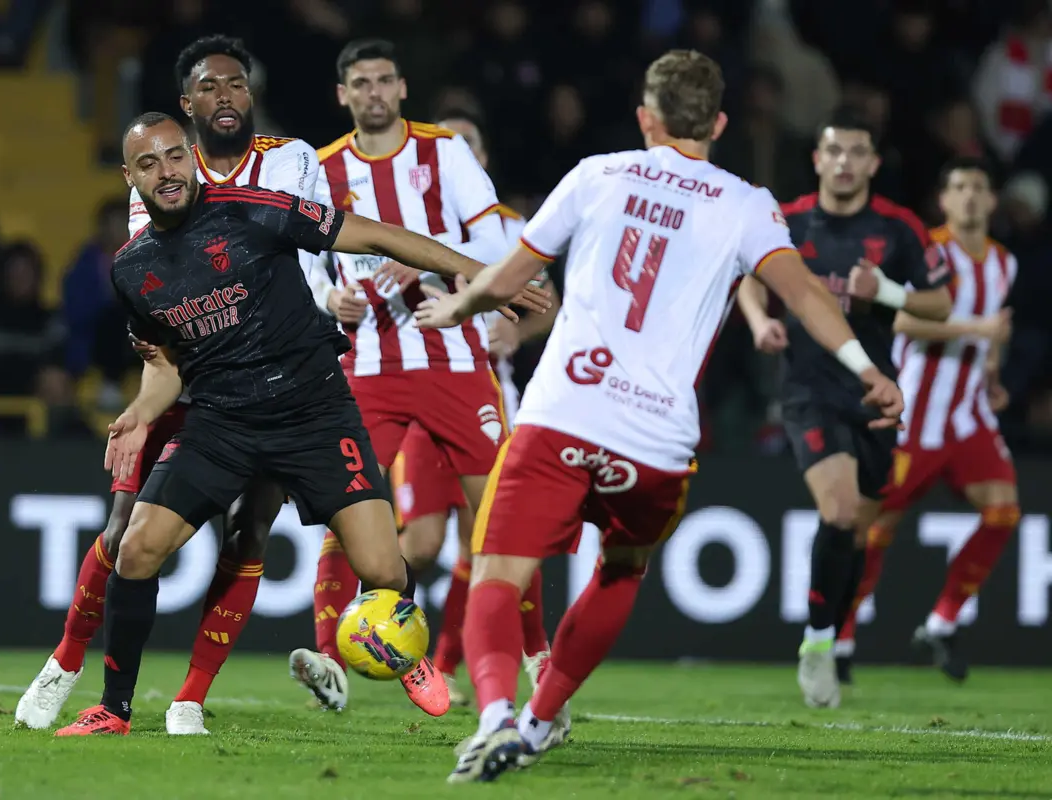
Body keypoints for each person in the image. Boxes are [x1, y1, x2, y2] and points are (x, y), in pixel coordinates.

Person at [414, 49, 904, 783]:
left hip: (564, 413)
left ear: (646, 117)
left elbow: (514, 276)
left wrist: (458, 303)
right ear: (720, 122)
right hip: (655, 441)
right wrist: (867, 369)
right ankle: (542, 720)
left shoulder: (595, 175)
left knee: (496, 575)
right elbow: (803, 294)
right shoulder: (746, 203)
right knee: (620, 571)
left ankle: (493, 720)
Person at [53, 110, 549, 736]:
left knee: (386, 570)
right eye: (149, 164)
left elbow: (374, 237)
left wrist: (478, 275)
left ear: (191, 156)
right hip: (221, 421)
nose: (167, 172)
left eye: (175, 156)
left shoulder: (253, 208)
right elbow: (169, 366)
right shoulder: (131, 269)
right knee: (137, 549)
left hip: (313, 411)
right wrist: (139, 412)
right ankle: (113, 709)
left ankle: (406, 651)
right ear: (131, 177)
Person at [15, 34, 320, 736]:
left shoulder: (293, 163)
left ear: (249, 95)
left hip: (267, 382)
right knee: (125, 531)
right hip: (182, 379)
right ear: (185, 110)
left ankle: (189, 699)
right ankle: (64, 664)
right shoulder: (157, 184)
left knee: (248, 534)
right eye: (208, 88)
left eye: (235, 85)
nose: (224, 98)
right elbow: (159, 301)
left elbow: (312, 254)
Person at [292, 39, 533, 710]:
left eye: (383, 81)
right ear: (343, 94)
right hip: (367, 366)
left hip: (455, 360)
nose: (372, 92)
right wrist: (324, 297)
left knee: (499, 517)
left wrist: (427, 266)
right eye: (359, 83)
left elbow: (495, 243)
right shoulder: (320, 166)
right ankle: (328, 658)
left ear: (401, 89)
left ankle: (529, 658)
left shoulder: (444, 153)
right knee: (351, 512)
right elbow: (304, 257)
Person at [738, 106, 953, 710]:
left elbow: (939, 303)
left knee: (857, 532)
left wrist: (883, 290)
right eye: (833, 151)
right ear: (817, 160)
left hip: (874, 392)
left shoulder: (899, 228)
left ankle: (827, 634)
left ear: (873, 164)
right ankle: (816, 644)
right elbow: (749, 276)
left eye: (856, 153)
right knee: (837, 513)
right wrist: (759, 321)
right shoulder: (791, 219)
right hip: (807, 391)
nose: (844, 162)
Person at [390, 109, 563, 710]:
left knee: (490, 533)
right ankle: (370, 647)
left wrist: (515, 336)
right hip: (414, 399)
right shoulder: (395, 221)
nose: (454, 154)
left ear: (479, 160)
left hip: (488, 391)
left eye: (467, 145)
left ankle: (464, 662)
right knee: (420, 543)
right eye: (445, 145)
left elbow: (549, 300)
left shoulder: (511, 228)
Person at [836, 157, 1018, 684]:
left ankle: (942, 621)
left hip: (968, 417)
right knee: (875, 530)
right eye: (958, 186)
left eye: (978, 187)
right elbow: (906, 320)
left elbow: (992, 335)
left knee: (1003, 513)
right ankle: (841, 635)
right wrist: (978, 331)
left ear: (990, 201)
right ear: (944, 200)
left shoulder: (1005, 263)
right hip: (915, 415)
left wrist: (990, 374)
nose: (968, 196)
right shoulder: (927, 251)